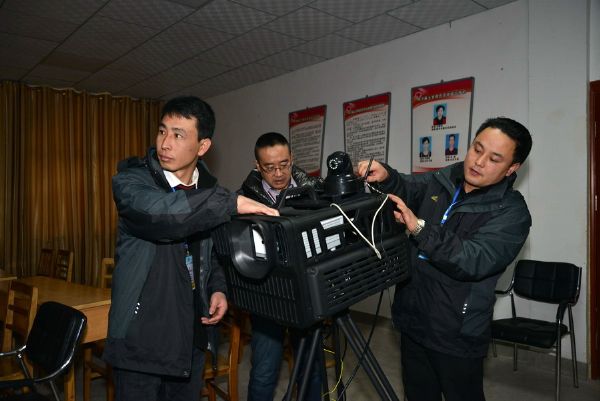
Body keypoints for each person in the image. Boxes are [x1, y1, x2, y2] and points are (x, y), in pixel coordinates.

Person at [104, 96, 278, 401]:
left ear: (202, 146)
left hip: (190, 337)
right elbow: (161, 214)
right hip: (140, 340)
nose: (165, 143)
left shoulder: (208, 192)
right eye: (162, 131)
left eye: (178, 135)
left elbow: (212, 254)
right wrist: (229, 203)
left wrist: (218, 288)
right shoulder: (132, 182)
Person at [357, 117, 532, 401]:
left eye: (494, 159)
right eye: (477, 149)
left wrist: (420, 229)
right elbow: (409, 187)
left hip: (456, 332)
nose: (478, 162)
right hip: (414, 318)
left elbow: (473, 259)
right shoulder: (445, 178)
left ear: (512, 168)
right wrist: (387, 176)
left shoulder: (511, 213)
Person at [238, 132, 324, 401]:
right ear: (257, 166)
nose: (278, 173)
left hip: (306, 290)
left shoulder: (315, 189)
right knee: (264, 371)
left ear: (292, 159)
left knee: (311, 370)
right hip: (267, 294)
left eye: (284, 164)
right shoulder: (244, 199)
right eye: (269, 167)